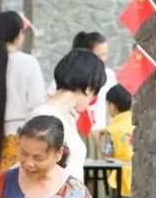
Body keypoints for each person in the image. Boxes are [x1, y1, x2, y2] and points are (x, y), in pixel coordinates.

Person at [0, 11, 44, 194]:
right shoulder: (29, 62)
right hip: (22, 137)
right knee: (18, 195)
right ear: (19, 34)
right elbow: (37, 102)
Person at [33, 48, 107, 183]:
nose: (93, 98)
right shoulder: (44, 116)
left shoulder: (69, 116)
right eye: (95, 92)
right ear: (89, 87)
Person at [101, 83, 135, 198]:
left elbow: (106, 154)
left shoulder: (111, 130)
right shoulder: (137, 122)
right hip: (136, 175)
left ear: (112, 106)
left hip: (119, 178)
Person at [73, 30, 117, 133]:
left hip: (98, 133)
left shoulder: (109, 76)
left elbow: (114, 108)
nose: (103, 60)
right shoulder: (71, 75)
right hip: (73, 132)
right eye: (99, 55)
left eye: (105, 54)